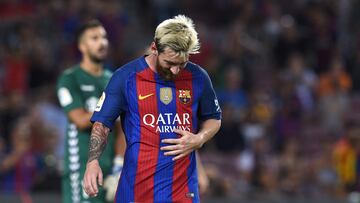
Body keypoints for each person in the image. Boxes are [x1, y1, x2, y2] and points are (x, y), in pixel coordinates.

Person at [83, 15, 222, 202]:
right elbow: (102, 123)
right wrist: (92, 162)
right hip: (137, 190)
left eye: (182, 64)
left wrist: (200, 138)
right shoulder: (126, 77)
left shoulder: (198, 77)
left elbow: (213, 117)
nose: (175, 71)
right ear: (154, 48)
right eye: (170, 63)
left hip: (182, 191)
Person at [57, 19, 126, 203]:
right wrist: (110, 110)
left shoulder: (113, 80)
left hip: (109, 170)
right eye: (94, 38)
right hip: (80, 167)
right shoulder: (70, 79)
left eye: (103, 37)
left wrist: (119, 165)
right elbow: (79, 119)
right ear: (82, 46)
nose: (102, 42)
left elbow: (121, 129)